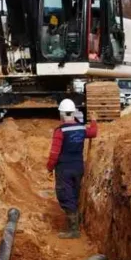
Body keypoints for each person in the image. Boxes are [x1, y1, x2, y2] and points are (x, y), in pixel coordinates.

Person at [46, 98, 97, 239]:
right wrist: (93, 121)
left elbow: (54, 153)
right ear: (73, 112)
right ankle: (77, 222)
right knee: (75, 193)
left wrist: (49, 168)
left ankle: (74, 229)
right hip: (78, 167)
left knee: (65, 195)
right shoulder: (81, 128)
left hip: (64, 169)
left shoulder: (60, 131)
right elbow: (93, 133)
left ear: (61, 114)